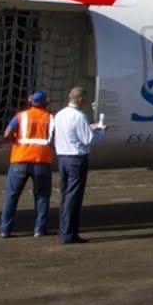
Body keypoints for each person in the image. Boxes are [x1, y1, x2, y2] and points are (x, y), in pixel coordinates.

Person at [51, 85, 106, 244]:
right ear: (80, 100)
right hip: (76, 159)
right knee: (74, 197)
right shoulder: (80, 116)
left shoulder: (59, 115)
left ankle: (63, 229)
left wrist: (91, 128)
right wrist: (101, 131)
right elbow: (88, 140)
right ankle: (70, 233)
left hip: (63, 158)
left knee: (65, 195)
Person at [0, 90, 54, 238]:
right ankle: (39, 230)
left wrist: (14, 141)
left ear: (30, 101)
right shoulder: (50, 118)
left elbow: (6, 134)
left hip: (20, 160)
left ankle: (5, 230)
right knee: (42, 196)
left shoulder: (21, 116)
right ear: (45, 103)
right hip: (42, 161)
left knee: (12, 196)